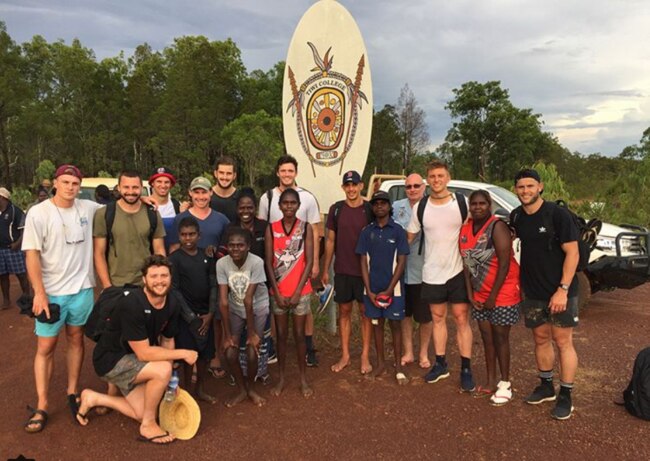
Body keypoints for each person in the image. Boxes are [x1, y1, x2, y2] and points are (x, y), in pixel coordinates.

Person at [76, 255, 198, 444]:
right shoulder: (132, 303)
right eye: (154, 276)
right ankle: (148, 425)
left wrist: (171, 379)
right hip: (110, 360)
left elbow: (167, 339)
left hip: (135, 359)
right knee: (162, 370)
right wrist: (183, 354)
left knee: (142, 410)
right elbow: (144, 353)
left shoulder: (172, 302)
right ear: (144, 279)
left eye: (164, 275)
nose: (159, 281)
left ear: (171, 277)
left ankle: (93, 398)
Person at [21, 165, 102, 433]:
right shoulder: (39, 213)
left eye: (75, 183)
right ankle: (42, 403)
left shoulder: (88, 209)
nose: (70, 187)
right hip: (52, 293)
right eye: (65, 182)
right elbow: (31, 253)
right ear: (55, 183)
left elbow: (117, 208)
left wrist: (149, 200)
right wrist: (39, 293)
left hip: (82, 290)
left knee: (77, 339)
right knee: (46, 346)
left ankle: (72, 391)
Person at [511, 169, 580, 420]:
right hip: (533, 291)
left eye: (530, 186)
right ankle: (546, 385)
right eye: (520, 187)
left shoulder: (557, 215)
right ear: (515, 190)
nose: (525, 191)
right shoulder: (517, 216)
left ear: (540, 187)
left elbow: (573, 253)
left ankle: (566, 395)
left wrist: (562, 290)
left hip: (560, 290)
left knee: (563, 342)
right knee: (540, 339)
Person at [406, 160, 475, 392]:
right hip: (432, 271)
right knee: (437, 319)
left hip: (457, 271)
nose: (436, 180)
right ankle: (441, 363)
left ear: (448, 178)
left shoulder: (462, 203)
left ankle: (466, 368)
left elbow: (476, 232)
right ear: (428, 180)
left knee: (461, 319)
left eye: (440, 176)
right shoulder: (421, 207)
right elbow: (408, 237)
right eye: (432, 176)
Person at [258, 155, 320, 367]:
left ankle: (309, 352)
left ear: (295, 172)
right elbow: (265, 246)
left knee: (301, 328)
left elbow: (315, 236)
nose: (286, 174)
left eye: (290, 171)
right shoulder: (267, 199)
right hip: (278, 281)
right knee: (281, 332)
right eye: (282, 171)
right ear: (277, 172)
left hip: (299, 283)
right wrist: (274, 288)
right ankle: (275, 354)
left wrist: (315, 266)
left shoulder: (308, 200)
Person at [460, 190, 521, 405]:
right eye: (474, 204)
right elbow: (467, 264)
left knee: (500, 337)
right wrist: (470, 293)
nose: (477, 207)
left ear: (489, 205)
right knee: (486, 337)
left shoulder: (498, 227)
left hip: (501, 292)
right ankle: (490, 380)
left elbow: (504, 263)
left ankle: (505, 383)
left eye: (482, 203)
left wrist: (493, 296)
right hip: (479, 293)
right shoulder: (466, 228)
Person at [169, 176, 229, 377]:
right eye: (197, 192)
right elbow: (174, 247)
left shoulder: (221, 219)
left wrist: (215, 252)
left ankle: (215, 357)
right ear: (190, 193)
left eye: (204, 192)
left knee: (216, 319)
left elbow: (227, 246)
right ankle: (191, 362)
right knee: (187, 324)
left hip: (213, 275)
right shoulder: (181, 218)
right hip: (187, 278)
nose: (201, 196)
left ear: (211, 193)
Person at [321, 171, 373, 374]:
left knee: (364, 313)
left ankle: (365, 356)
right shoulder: (337, 209)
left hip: (364, 272)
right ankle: (345, 355)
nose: (351, 189)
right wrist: (325, 269)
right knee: (344, 313)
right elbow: (331, 241)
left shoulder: (369, 209)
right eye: (347, 185)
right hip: (342, 270)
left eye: (355, 185)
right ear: (343, 187)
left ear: (361, 186)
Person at [265, 188, 314, 397]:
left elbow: (309, 261)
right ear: (279, 206)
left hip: (300, 292)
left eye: (293, 203)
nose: (289, 207)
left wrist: (297, 292)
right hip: (278, 292)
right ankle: (282, 378)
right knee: (282, 337)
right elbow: (268, 262)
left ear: (298, 205)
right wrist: (276, 292)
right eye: (285, 203)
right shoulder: (271, 228)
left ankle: (303, 379)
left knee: (300, 336)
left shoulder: (305, 228)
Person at [357, 191, 409, 383]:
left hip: (393, 290)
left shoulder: (398, 231)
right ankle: (380, 364)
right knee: (377, 325)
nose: (379, 206)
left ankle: (398, 367)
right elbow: (363, 261)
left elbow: (402, 261)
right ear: (372, 207)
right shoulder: (366, 231)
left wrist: (390, 289)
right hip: (371, 289)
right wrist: (368, 289)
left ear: (389, 207)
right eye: (376, 203)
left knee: (395, 325)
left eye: (383, 203)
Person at [218, 227, 269, 407]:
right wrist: (227, 335)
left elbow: (249, 300)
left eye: (240, 245)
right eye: (231, 245)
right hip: (235, 307)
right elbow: (223, 302)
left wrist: (252, 334)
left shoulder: (256, 262)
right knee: (230, 351)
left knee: (251, 349)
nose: (235, 249)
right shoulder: (222, 264)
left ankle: (251, 388)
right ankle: (241, 389)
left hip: (257, 307)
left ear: (248, 246)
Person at [168, 216, 217, 403]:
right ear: (179, 236)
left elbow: (213, 284)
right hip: (186, 317)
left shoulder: (207, 256)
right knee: (187, 355)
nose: (188, 238)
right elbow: (174, 290)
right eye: (184, 235)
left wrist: (211, 313)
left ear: (199, 235)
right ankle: (187, 390)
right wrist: (191, 317)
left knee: (204, 355)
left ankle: (200, 388)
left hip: (206, 315)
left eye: (192, 234)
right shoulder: (174, 259)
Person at [93, 170, 166, 289]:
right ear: (119, 188)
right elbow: (99, 253)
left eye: (135, 187)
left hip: (146, 284)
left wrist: (159, 280)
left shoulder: (152, 213)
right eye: (126, 187)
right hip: (116, 284)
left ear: (142, 188)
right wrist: (107, 286)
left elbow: (159, 249)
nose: (131, 192)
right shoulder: (104, 214)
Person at [393, 173, 434, 369]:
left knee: (425, 317)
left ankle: (423, 353)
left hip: (424, 271)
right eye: (408, 186)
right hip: (400, 271)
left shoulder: (432, 207)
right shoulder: (396, 207)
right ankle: (408, 352)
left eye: (416, 186)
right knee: (405, 314)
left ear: (424, 187)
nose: (412, 189)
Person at [0, 187, 30, 309]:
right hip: (0, 250)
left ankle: (27, 298)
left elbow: (25, 230)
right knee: (2, 276)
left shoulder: (15, 211)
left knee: (21, 274)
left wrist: (17, 244)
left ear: (2, 198)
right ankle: (6, 301)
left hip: (13, 249)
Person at [148, 167, 181, 252]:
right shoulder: (145, 205)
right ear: (152, 183)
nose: (163, 185)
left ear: (171, 184)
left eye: (166, 182)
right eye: (159, 181)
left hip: (173, 256)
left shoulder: (177, 205)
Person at [210, 156, 240, 222]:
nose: (225, 177)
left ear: (234, 176)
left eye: (229, 173)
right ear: (215, 173)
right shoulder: (206, 197)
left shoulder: (240, 198)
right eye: (221, 173)